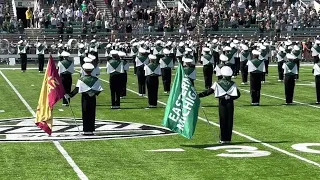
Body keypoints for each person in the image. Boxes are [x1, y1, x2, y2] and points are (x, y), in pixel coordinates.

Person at [198, 66, 241, 144]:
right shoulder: (233, 84)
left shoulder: (218, 83)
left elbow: (208, 92)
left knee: (223, 120)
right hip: (230, 103)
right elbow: (238, 94)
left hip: (222, 103)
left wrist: (198, 95)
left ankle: (223, 138)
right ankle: (228, 138)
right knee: (229, 121)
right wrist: (230, 97)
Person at [66, 63, 103, 136]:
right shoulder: (96, 79)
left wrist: (70, 95)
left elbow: (77, 89)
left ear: (84, 70)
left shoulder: (81, 79)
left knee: (85, 113)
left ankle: (86, 130)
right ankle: (91, 129)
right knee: (92, 113)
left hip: (85, 98)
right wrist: (94, 93)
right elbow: (99, 89)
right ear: (92, 70)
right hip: (92, 98)